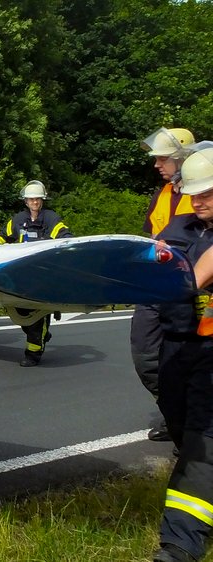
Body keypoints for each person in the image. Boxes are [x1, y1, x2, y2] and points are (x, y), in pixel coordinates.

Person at [150, 147, 213, 562]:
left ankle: (181, 543)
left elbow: (193, 278)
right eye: (194, 194)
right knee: (178, 422)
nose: (198, 201)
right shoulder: (181, 225)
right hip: (177, 344)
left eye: (207, 193)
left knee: (202, 440)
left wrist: (175, 272)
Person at [133, 127, 195, 443]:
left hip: (190, 290)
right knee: (145, 358)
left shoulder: (202, 194)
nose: (157, 164)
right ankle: (174, 413)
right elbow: (152, 239)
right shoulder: (162, 194)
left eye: (162, 159)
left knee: (188, 362)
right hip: (154, 288)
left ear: (182, 158)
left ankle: (187, 428)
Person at [0, 180, 73, 367]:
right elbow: (2, 236)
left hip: (43, 276)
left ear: (42, 200)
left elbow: (65, 236)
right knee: (21, 313)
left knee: (38, 313)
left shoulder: (51, 218)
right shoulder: (18, 219)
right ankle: (42, 334)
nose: (34, 202)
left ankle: (33, 354)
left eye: (37, 199)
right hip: (22, 276)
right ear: (25, 201)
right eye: (31, 199)